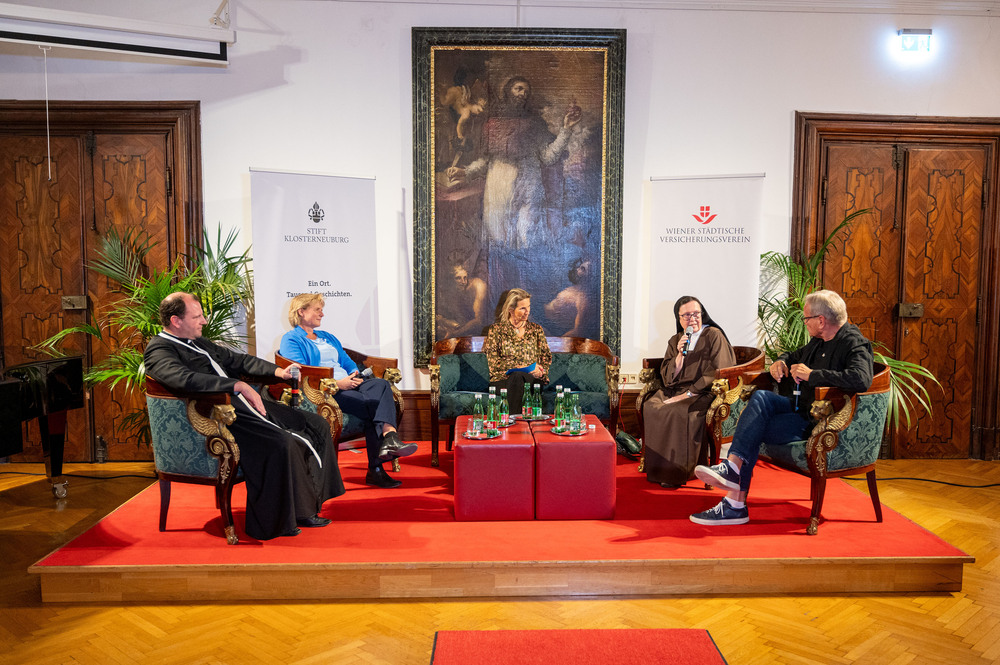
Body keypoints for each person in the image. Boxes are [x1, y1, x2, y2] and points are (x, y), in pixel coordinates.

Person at [144, 292, 344, 541]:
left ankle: (309, 505)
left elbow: (236, 360)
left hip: (242, 405)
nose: (204, 321)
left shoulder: (198, 341)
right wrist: (235, 385)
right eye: (197, 316)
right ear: (175, 321)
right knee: (281, 442)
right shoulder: (159, 349)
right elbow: (183, 379)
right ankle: (276, 521)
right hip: (219, 415)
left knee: (314, 424)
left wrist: (278, 371)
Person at [690, 290, 874, 525]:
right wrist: (781, 362)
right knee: (761, 399)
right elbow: (793, 355)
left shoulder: (854, 342)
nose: (804, 322)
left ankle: (735, 503)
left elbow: (861, 379)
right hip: (801, 409)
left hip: (822, 423)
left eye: (806, 318)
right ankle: (733, 472)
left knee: (753, 428)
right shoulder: (818, 340)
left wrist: (813, 375)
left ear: (821, 320)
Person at [279, 293, 416, 489]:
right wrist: (338, 383)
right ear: (301, 311)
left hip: (352, 382)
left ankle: (389, 439)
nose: (322, 314)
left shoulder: (327, 337)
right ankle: (380, 461)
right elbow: (303, 372)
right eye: (317, 309)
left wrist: (354, 374)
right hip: (328, 391)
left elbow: (346, 360)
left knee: (382, 385)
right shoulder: (291, 340)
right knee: (374, 407)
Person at [642, 296, 736, 488]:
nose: (692, 318)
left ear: (703, 314)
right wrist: (679, 355)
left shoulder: (713, 335)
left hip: (702, 392)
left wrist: (689, 394)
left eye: (696, 313)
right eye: (687, 315)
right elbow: (668, 377)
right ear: (679, 318)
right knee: (652, 405)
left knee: (675, 411)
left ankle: (677, 472)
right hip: (675, 388)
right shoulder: (676, 340)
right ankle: (658, 468)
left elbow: (718, 370)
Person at [483, 288, 552, 411]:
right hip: (503, 380)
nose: (527, 312)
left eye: (528, 307)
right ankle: (522, 425)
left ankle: (512, 424)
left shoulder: (536, 330)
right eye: (522, 308)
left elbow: (546, 357)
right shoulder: (496, 330)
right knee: (517, 376)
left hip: (532, 380)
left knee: (519, 378)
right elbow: (494, 364)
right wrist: (524, 367)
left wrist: (541, 371)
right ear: (511, 310)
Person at [435, 264, 488, 339]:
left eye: (465, 278)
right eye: (458, 278)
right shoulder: (453, 291)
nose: (463, 282)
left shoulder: (478, 285)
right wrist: (444, 321)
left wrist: (454, 334)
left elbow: (478, 320)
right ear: (451, 280)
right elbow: (460, 320)